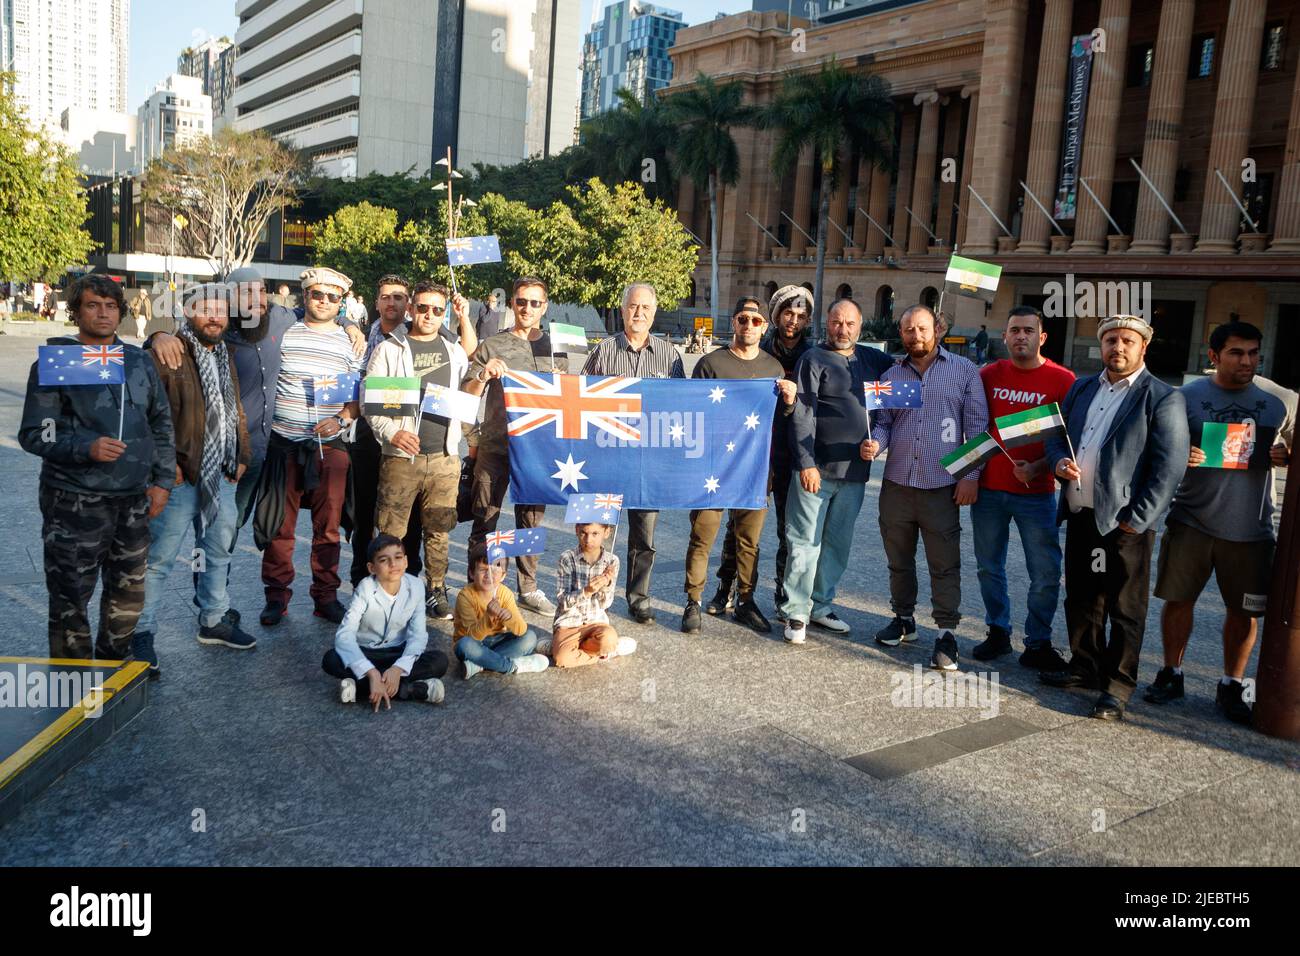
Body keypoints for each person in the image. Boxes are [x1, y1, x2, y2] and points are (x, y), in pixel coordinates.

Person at [1144, 322, 1295, 723]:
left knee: (1242, 612)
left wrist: (1287, 455)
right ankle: (1171, 672)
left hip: (1252, 527)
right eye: (1236, 353)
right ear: (1213, 356)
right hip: (1192, 519)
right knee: (1179, 600)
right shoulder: (1185, 397)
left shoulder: (1281, 400)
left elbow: (1298, 448)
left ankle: (1231, 683)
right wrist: (1184, 454)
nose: (1246, 361)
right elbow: (1158, 451)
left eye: (1252, 353)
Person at [18, 274, 176, 661]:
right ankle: (71, 685)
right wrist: (84, 447)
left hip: (133, 501)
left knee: (128, 595)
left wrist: (163, 481)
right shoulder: (56, 365)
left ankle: (113, 668)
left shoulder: (139, 361)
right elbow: (37, 433)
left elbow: (161, 422)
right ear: (75, 312)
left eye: (110, 306)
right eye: (92, 305)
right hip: (74, 501)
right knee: (71, 596)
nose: (103, 313)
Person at [1041, 314, 1189, 721]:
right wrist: (1057, 464)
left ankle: (1117, 686)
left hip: (1125, 523)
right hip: (1081, 512)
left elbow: (1169, 467)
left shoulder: (1161, 396)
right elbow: (1057, 435)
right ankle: (1084, 666)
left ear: (1143, 347)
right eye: (1110, 340)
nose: (1117, 348)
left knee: (1125, 606)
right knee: (1083, 596)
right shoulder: (1082, 387)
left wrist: (1138, 518)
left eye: (1127, 341)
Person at [134, 284, 255, 676]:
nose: (215, 317)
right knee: (158, 560)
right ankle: (141, 632)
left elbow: (232, 407)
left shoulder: (224, 354)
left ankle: (214, 618)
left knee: (217, 551)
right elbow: (144, 415)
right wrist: (163, 467)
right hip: (179, 478)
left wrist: (242, 455)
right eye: (205, 309)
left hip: (220, 473)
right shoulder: (167, 353)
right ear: (187, 313)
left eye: (221, 310)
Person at [861, 305, 988, 669]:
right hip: (897, 484)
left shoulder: (963, 371)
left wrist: (970, 476)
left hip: (942, 486)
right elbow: (884, 423)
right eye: (908, 330)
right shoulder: (892, 374)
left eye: (922, 329)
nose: (915, 336)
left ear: (938, 330)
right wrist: (876, 445)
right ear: (901, 334)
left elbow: (978, 429)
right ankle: (903, 618)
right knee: (899, 561)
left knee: (943, 563)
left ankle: (947, 632)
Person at [781, 299, 893, 645]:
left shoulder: (874, 360)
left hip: (856, 473)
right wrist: (806, 462)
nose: (842, 330)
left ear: (861, 326)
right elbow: (802, 413)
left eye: (849, 324)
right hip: (817, 471)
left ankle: (821, 605)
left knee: (837, 546)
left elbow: (898, 390)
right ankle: (796, 612)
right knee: (804, 544)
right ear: (826, 324)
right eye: (835, 323)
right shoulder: (813, 359)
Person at [256, 267, 364, 626]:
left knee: (328, 527)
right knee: (279, 526)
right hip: (284, 443)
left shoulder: (351, 341)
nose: (324, 301)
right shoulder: (285, 333)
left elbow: (358, 396)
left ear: (341, 302)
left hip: (329, 445)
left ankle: (326, 596)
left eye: (333, 297)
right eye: (318, 295)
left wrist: (343, 419)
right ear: (306, 296)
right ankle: (276, 595)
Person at [681, 296, 795, 635]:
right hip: (713, 468)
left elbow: (779, 420)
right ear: (734, 323)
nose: (748, 326)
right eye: (742, 319)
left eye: (755, 321)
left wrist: (789, 401)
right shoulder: (711, 363)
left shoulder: (773, 368)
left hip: (754, 469)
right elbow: (692, 414)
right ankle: (693, 601)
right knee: (702, 537)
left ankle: (745, 599)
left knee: (749, 541)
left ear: (764, 327)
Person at [970, 306, 1075, 669]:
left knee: (1045, 572)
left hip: (1037, 493)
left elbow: (1070, 439)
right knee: (988, 566)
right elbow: (973, 423)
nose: (1021, 337)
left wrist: (1041, 466)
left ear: (1042, 337)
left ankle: (1038, 642)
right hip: (989, 490)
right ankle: (998, 631)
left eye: (1029, 331)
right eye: (1014, 330)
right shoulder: (988, 375)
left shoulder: (1064, 380)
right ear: (1005, 336)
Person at [367, 280, 472, 620]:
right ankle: (385, 593)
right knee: (391, 532)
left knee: (439, 530)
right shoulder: (390, 349)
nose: (429, 314)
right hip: (401, 458)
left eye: (437, 310)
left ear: (445, 313)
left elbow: (467, 388)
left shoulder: (454, 349)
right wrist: (392, 433)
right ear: (411, 308)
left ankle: (436, 587)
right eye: (423, 307)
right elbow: (372, 404)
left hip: (444, 457)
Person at [582, 282, 685, 624]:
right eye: (632, 306)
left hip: (649, 462)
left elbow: (681, 407)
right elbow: (580, 398)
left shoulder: (670, 357)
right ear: (623, 309)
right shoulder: (604, 351)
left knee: (644, 536)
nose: (638, 313)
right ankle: (594, 593)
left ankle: (639, 597)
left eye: (645, 308)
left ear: (654, 313)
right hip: (607, 457)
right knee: (597, 530)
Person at [708, 284, 813, 617]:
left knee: (788, 529)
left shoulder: (813, 356)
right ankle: (726, 587)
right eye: (787, 314)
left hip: (793, 454)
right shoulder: (760, 349)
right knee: (737, 527)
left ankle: (783, 596)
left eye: (800, 315)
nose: (793, 321)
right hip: (753, 452)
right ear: (775, 317)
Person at [461, 276, 558, 616]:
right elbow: (466, 394)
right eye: (521, 301)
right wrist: (483, 375)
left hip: (537, 449)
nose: (527, 308)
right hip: (496, 446)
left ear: (544, 307)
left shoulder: (554, 346)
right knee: (484, 517)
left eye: (535, 303)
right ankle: (478, 585)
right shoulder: (492, 344)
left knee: (531, 521)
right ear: (511, 304)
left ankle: (528, 587)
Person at [323, 534, 449, 709]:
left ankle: (360, 688)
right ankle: (412, 689)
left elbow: (418, 635)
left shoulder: (416, 586)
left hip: (397, 652)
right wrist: (372, 673)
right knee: (331, 659)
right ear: (371, 568)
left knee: (440, 661)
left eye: (398, 557)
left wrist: (398, 669)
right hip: (367, 652)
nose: (393, 564)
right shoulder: (365, 588)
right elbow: (344, 635)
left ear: (405, 561)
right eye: (384, 560)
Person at [453, 545, 549, 678]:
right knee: (465, 645)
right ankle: (514, 666)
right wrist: (488, 617)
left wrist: (509, 617)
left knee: (530, 637)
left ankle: (480, 664)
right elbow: (472, 637)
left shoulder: (505, 593)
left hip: (498, 640)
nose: (488, 575)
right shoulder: (466, 596)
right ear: (471, 573)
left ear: (503, 575)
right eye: (483, 570)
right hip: (474, 643)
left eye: (495, 571)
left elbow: (521, 630)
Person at [551, 521, 638, 666]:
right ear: (577, 530)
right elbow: (562, 601)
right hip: (569, 622)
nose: (588, 539)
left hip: (596, 621)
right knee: (562, 660)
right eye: (584, 533)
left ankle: (572, 649)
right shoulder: (567, 558)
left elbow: (606, 604)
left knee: (608, 639)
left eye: (595, 534)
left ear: (607, 532)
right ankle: (604, 653)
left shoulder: (611, 561)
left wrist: (606, 585)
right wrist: (586, 592)